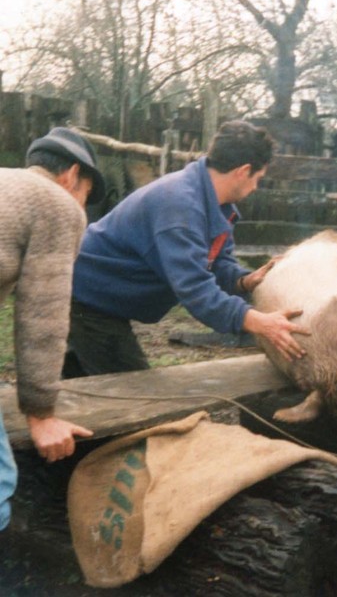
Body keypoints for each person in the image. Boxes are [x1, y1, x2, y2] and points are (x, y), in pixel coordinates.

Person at [64, 120, 309, 378]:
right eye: (257, 178)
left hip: (103, 297)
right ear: (243, 170)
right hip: (88, 297)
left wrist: (243, 281)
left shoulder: (217, 206)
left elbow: (216, 263)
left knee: (78, 385)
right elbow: (194, 289)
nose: (256, 187)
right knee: (137, 395)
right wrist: (259, 322)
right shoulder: (179, 207)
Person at [0, 127, 105, 532]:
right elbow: (42, 317)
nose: (81, 208)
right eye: (85, 193)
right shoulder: (57, 204)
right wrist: (41, 412)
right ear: (71, 175)